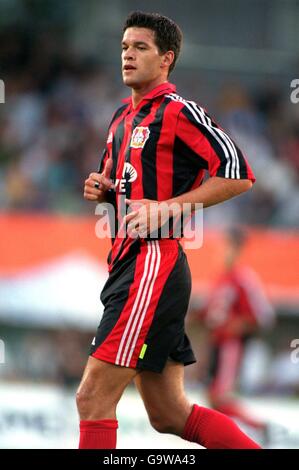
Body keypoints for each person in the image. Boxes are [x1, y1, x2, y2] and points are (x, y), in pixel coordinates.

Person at [79, 11, 260, 449]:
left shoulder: (179, 111)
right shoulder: (121, 116)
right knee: (168, 414)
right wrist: (105, 192)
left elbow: (238, 174)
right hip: (126, 263)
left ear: (166, 59)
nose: (128, 55)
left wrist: (166, 209)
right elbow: (128, 189)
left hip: (152, 263)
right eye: (124, 47)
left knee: (92, 398)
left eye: (140, 47)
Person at [193, 226, 275, 436]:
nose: (221, 250)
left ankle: (257, 429)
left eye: (225, 245)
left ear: (236, 249)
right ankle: (231, 434)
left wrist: (237, 326)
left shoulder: (243, 278)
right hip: (215, 344)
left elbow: (262, 316)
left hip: (230, 345)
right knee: (212, 398)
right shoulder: (221, 278)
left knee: (219, 396)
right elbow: (210, 315)